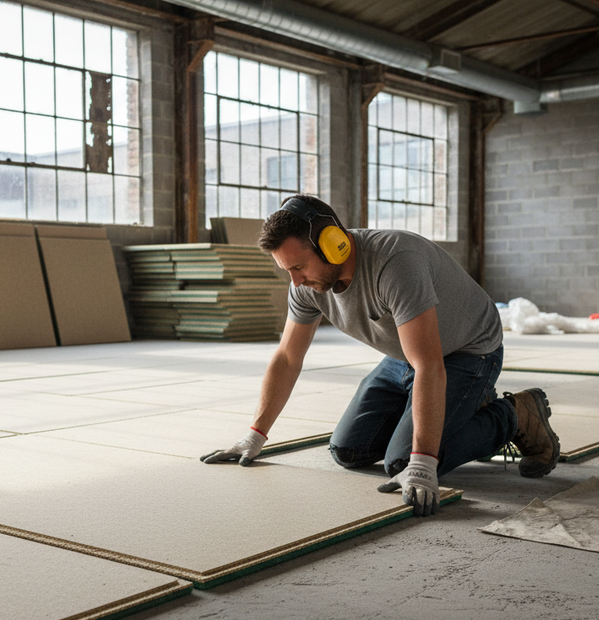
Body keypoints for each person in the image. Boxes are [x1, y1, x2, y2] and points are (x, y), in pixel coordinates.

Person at [200, 194, 559, 516]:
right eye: (287, 270)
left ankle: (513, 416)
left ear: (333, 245)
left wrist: (422, 462)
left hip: (469, 351)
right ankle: (453, 415)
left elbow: (429, 365)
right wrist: (255, 435)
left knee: (405, 461)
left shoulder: (395, 262)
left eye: (298, 268)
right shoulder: (308, 286)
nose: (295, 282)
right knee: (348, 450)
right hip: (405, 354)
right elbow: (288, 358)